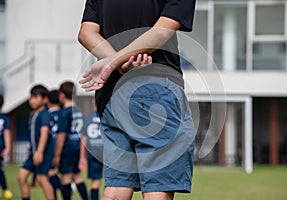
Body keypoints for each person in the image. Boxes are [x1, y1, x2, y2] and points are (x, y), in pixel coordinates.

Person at [78, 0, 196, 200]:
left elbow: (86, 32)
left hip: (112, 95)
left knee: (116, 188)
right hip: (156, 90)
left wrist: (114, 64)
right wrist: (117, 63)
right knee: (158, 187)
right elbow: (159, 32)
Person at [17, 84, 55, 200]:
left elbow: (44, 133)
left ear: (44, 99)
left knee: (42, 178)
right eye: (31, 97)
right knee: (21, 177)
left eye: (35, 97)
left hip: (42, 152)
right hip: (33, 153)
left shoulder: (44, 115)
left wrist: (39, 151)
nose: (32, 100)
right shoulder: (34, 115)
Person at [52, 81, 88, 200]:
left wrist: (57, 155)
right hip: (77, 146)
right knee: (76, 176)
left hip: (67, 148)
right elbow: (83, 134)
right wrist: (83, 155)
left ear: (62, 95)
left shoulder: (64, 112)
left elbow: (61, 135)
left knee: (66, 177)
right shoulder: (79, 110)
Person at [79, 103, 103, 200]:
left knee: (95, 182)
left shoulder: (88, 118)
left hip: (93, 152)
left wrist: (82, 157)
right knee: (112, 183)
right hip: (108, 153)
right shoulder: (108, 116)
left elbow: (83, 139)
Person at [45, 90, 63, 199]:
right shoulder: (63, 113)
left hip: (51, 146)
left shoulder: (46, 115)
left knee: (49, 172)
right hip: (65, 146)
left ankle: (62, 189)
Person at [0, 95, 13, 200]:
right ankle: (6, 190)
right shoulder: (4, 118)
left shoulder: (4, 118)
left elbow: (7, 133)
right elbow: (7, 133)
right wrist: (8, 147)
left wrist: (8, 148)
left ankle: (6, 190)